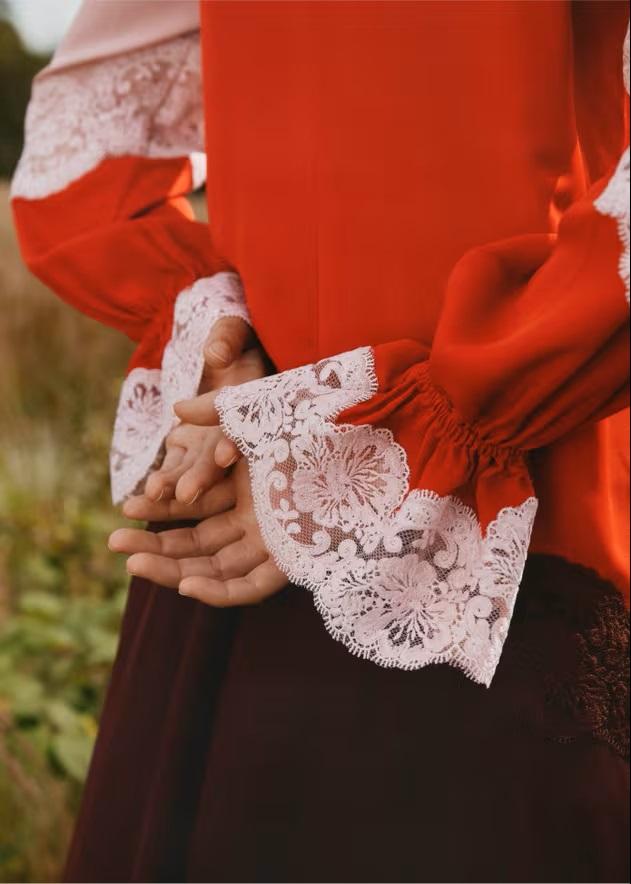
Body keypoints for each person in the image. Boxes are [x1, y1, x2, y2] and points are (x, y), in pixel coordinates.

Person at [11, 1, 630, 881]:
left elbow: (79, 154)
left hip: (453, 498)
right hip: (309, 471)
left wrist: (245, 363)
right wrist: (241, 364)